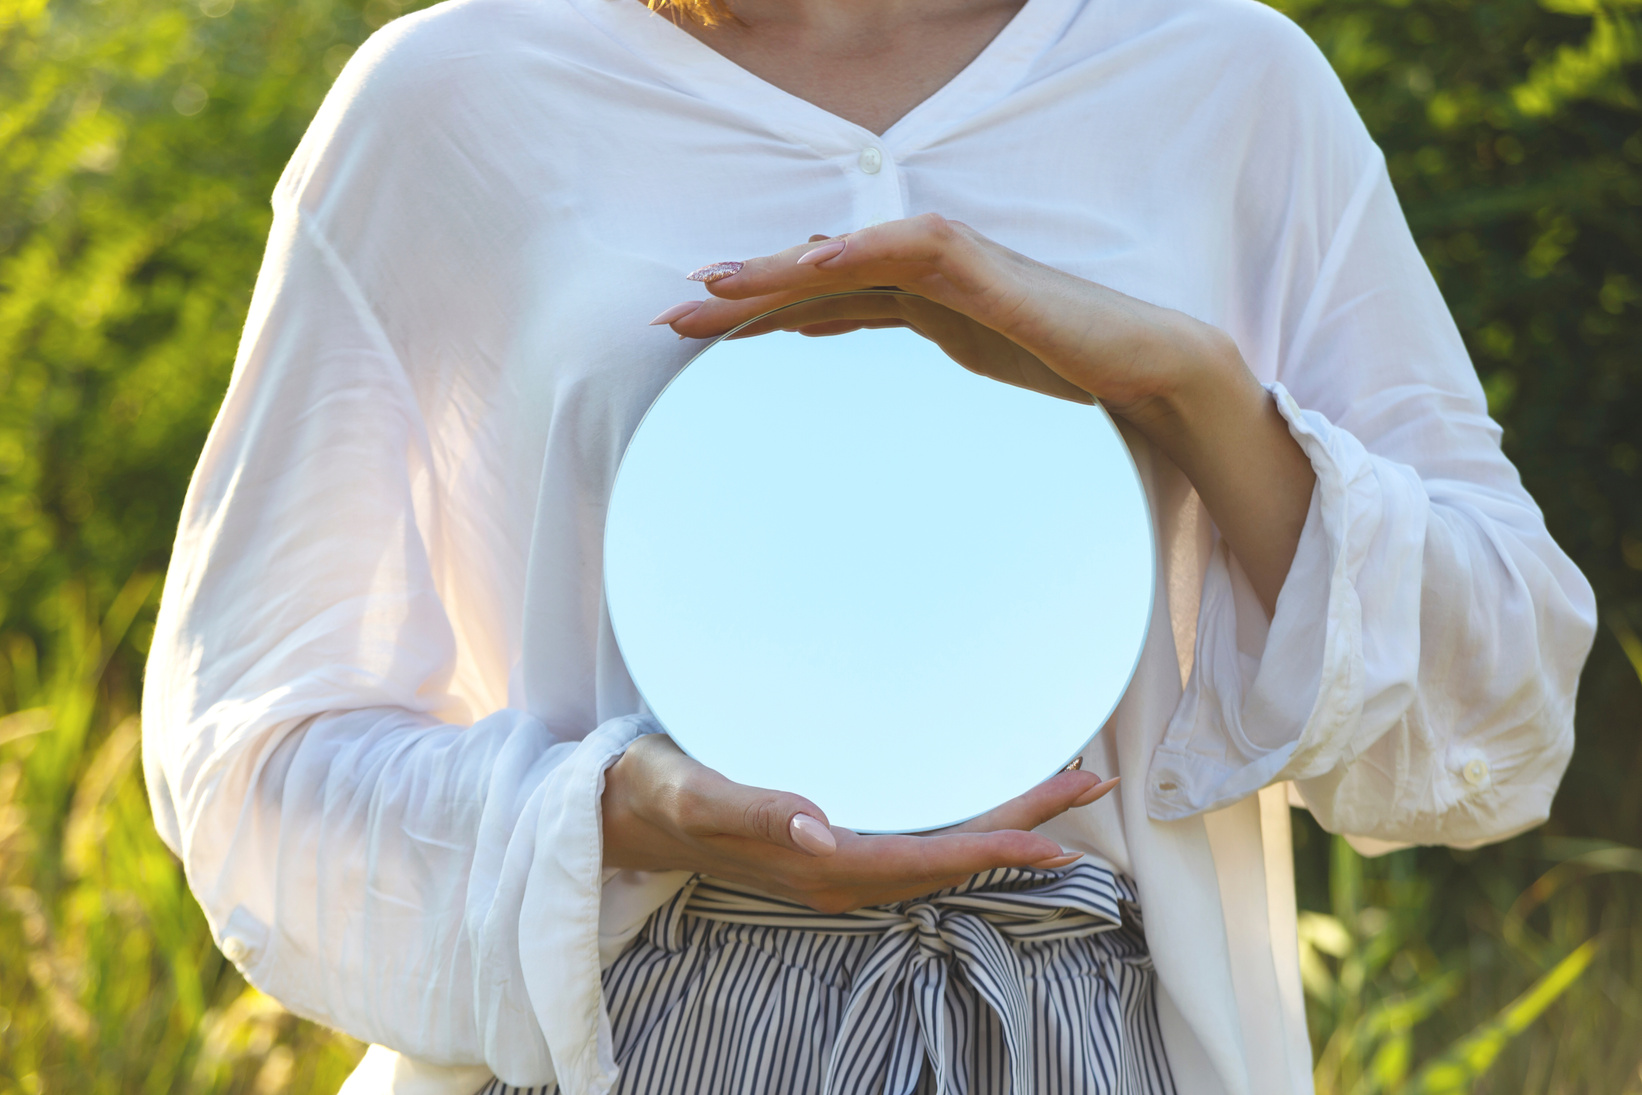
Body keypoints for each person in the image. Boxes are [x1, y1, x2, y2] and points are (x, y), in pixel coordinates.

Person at [139, 0, 1598, 1090]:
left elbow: (1498, 716)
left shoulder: (1223, 80)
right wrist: (625, 815)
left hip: (1094, 1033)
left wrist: (1189, 389)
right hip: (618, 1031)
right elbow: (247, 756)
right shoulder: (452, 95)